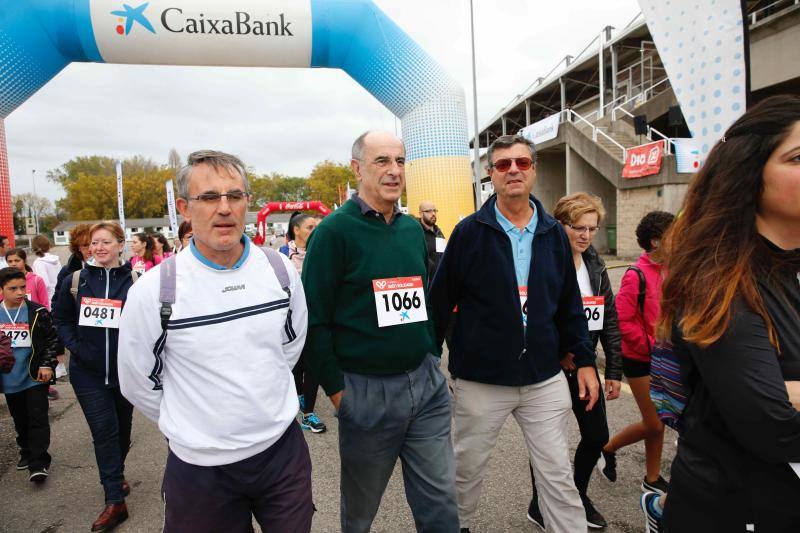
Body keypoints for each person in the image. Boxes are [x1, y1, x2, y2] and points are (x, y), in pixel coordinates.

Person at [118, 150, 313, 533]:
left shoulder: (280, 271)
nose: (224, 208)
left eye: (234, 196)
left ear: (245, 203)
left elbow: (289, 348)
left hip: (281, 454)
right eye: (209, 197)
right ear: (184, 208)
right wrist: (195, 422)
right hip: (200, 469)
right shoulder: (155, 291)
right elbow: (137, 381)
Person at [429, 134, 599, 533]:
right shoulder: (469, 232)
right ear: (491, 175)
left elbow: (569, 305)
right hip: (481, 380)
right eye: (503, 164)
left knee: (557, 474)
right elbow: (439, 302)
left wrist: (587, 360)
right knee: (465, 472)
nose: (513, 171)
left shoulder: (554, 234)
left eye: (522, 163)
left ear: (534, 170)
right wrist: (429, 362)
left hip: (543, 378)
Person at [651, 95, 800, 532]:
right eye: (798, 158)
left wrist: (788, 387)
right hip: (731, 509)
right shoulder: (719, 280)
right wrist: (779, 393)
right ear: (750, 173)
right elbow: (772, 426)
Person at [303, 131, 458, 533]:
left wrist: (429, 355)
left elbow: (419, 300)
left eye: (400, 161)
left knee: (441, 502)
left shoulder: (410, 230)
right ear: (357, 169)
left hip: (424, 386)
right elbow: (314, 321)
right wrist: (339, 393)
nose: (394, 171)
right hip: (365, 392)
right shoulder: (333, 233)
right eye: (382, 161)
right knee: (360, 513)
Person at [526, 192, 623, 530]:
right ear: (560, 225)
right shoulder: (542, 260)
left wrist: (612, 369)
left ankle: (577, 494)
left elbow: (609, 318)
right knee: (546, 443)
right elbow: (532, 316)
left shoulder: (595, 264)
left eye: (592, 228)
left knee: (597, 436)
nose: (585, 235)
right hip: (551, 367)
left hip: (585, 367)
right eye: (578, 227)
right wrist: (557, 351)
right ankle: (541, 505)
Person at [53, 222, 138, 532]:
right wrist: (77, 347)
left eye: (106, 241)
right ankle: (114, 499)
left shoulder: (135, 281)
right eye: (94, 242)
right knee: (104, 431)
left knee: (122, 430)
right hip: (87, 374)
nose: (99, 247)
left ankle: (117, 473)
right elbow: (60, 317)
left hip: (124, 373)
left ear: (120, 244)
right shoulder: (75, 280)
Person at [599, 211, 674, 497]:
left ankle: (652, 477)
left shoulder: (671, 270)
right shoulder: (635, 274)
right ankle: (608, 447)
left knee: (662, 422)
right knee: (654, 423)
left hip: (667, 357)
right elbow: (623, 321)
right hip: (641, 358)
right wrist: (652, 345)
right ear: (656, 241)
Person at [0, 267, 59, 483]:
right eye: (12, 289)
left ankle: (39, 462)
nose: (19, 292)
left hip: (34, 376)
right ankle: (25, 450)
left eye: (22, 287)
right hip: (8, 378)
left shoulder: (37, 311)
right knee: (20, 418)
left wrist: (47, 364)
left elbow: (52, 339)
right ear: (2, 290)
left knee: (37, 417)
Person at [281, 212, 325, 433]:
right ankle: (298, 394)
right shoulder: (281, 256)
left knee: (314, 365)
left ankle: (308, 414)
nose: (315, 231)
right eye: (310, 227)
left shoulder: (322, 253)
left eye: (317, 226)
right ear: (296, 230)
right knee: (297, 365)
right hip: (290, 323)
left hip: (317, 319)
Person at [51, 223, 93, 311]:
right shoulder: (66, 271)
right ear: (78, 247)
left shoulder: (109, 269)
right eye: (85, 245)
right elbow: (57, 304)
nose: (90, 249)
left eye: (93, 243)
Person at [419, 201, 446, 282]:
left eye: (435, 211)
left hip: (440, 281)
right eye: (429, 211)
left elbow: (443, 255)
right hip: (425, 282)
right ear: (421, 214)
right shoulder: (417, 232)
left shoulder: (438, 232)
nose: (433, 213)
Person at [31, 234, 62, 302]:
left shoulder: (38, 263)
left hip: (47, 299)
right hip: (59, 295)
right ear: (48, 246)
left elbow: (44, 284)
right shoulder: (56, 260)